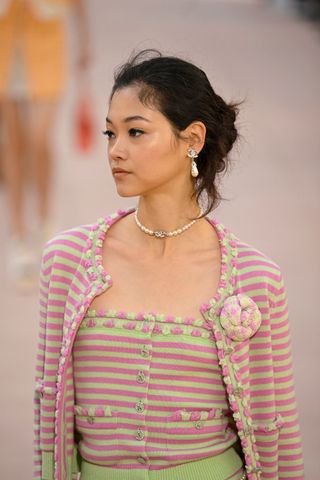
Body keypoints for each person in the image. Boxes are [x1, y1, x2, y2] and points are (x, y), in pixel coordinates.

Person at [33, 50, 304, 480]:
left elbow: (277, 430)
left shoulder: (255, 278)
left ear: (192, 139)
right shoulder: (68, 259)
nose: (116, 151)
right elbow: (49, 411)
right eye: (110, 134)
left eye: (136, 132)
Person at [0, 0, 90, 289]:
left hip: (46, 44)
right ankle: (18, 234)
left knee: (38, 140)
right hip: (4, 43)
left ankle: (45, 220)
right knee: (13, 144)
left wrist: (84, 38)